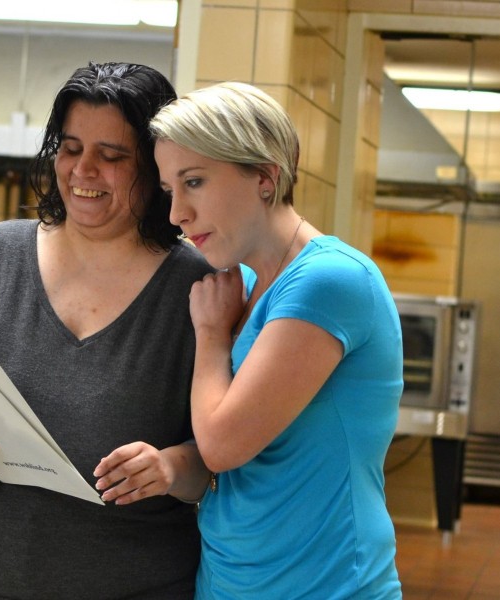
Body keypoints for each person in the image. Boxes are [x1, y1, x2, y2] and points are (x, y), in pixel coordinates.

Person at [0, 62, 213, 600]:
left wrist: (171, 465)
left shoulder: (198, 289)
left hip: (134, 584)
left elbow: (227, 447)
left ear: (155, 167)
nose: (84, 170)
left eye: (112, 156)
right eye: (69, 148)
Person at [148, 81, 403, 598]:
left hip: (327, 586)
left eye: (194, 181)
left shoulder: (329, 281)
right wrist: (3, 246)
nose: (177, 213)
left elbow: (222, 446)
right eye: (170, 190)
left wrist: (213, 336)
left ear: (265, 177)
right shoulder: (239, 282)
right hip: (227, 580)